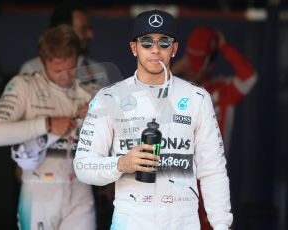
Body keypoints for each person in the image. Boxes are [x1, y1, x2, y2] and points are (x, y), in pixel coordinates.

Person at [74, 9, 233, 230]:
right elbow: (82, 166)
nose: (155, 49)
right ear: (134, 48)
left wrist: (222, 224)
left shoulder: (197, 98)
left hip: (183, 221)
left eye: (164, 42)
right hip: (131, 220)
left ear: (174, 48)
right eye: (146, 42)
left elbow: (212, 169)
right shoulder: (109, 98)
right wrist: (122, 163)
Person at [0, 25, 95, 230]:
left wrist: (99, 112)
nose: (65, 75)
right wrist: (47, 124)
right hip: (39, 190)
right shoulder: (24, 86)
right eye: (57, 70)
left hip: (81, 190)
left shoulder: (89, 94)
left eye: (71, 67)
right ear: (43, 61)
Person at [171, 26, 257, 230]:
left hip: (211, 177)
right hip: (179, 180)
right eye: (189, 62)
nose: (192, 68)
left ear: (210, 63)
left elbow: (249, 77)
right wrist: (175, 69)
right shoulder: (176, 91)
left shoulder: (223, 90)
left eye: (198, 63)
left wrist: (224, 47)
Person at [19, 2, 113, 96]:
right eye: (83, 29)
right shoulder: (32, 69)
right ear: (64, 31)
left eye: (71, 68)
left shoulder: (98, 70)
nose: (90, 35)